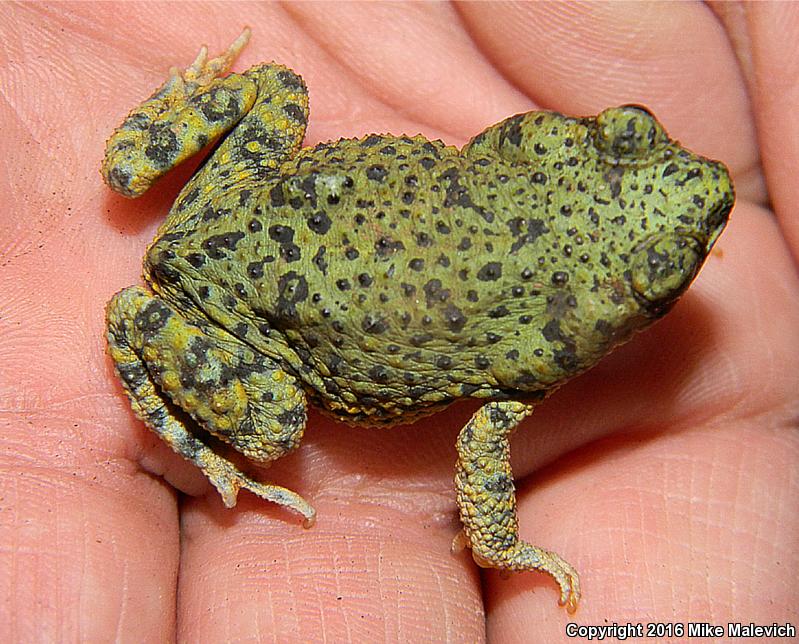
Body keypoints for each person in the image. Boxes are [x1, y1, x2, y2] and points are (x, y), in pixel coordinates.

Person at [1, 3, 796, 640]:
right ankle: (163, 375)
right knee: (274, 425)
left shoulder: (520, 188)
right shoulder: (530, 354)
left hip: (242, 209)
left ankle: (140, 160)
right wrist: (497, 544)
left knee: (277, 89)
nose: (698, 177)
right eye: (629, 138)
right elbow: (482, 451)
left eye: (660, 266)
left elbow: (501, 145)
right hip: (235, 305)